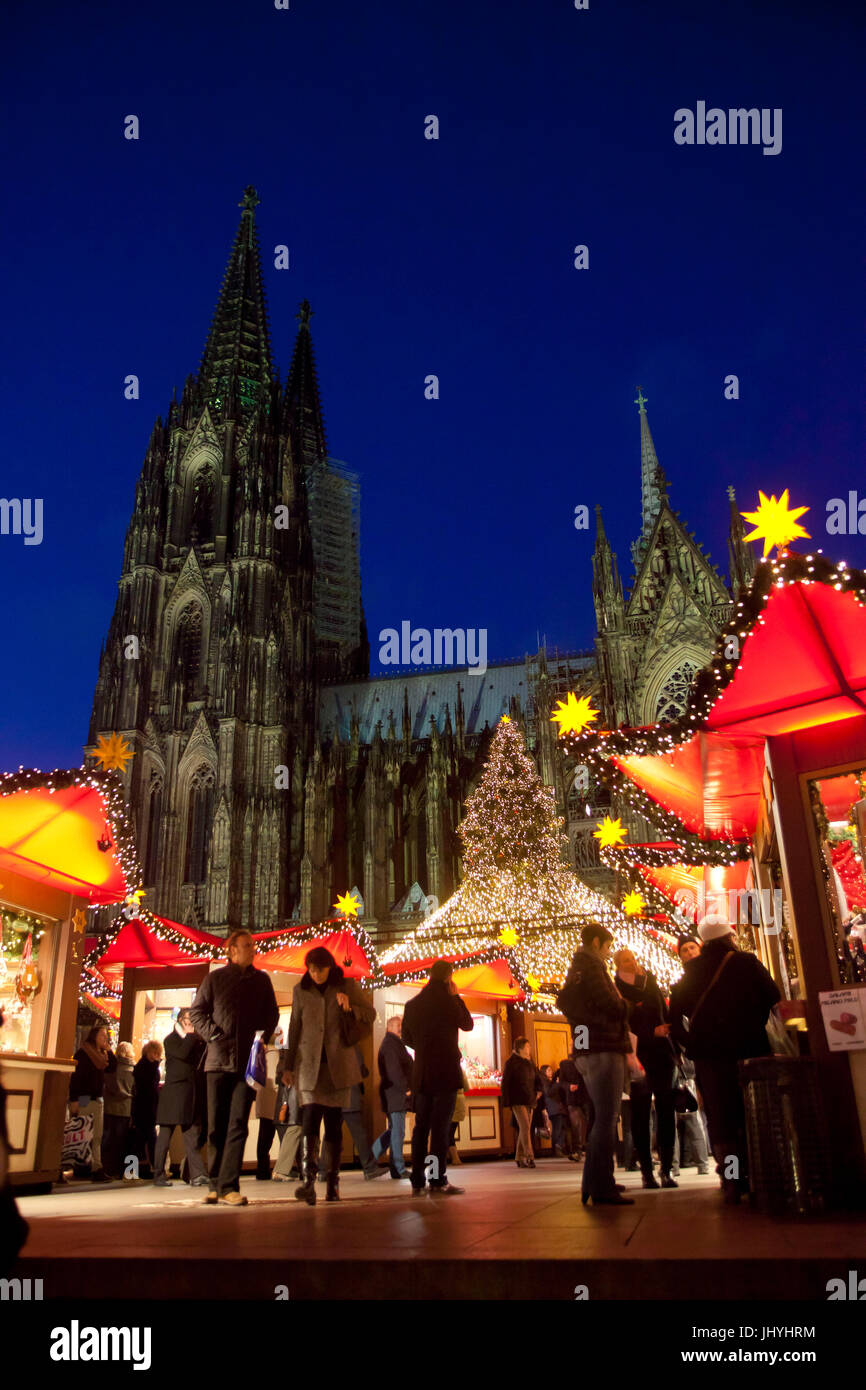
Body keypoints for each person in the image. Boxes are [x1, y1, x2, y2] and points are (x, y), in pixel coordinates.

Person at [668, 916, 780, 1203]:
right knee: (755, 1112)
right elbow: (773, 995)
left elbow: (674, 1017)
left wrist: (691, 1041)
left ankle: (733, 1180)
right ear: (729, 937)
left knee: (723, 1119)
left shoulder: (691, 972)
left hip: (710, 1056)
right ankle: (762, 1174)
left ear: (704, 942)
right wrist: (752, 1020)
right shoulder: (746, 962)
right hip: (750, 1049)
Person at [190, 928, 280, 1207]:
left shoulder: (262, 981)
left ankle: (230, 1185)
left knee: (238, 1123)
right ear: (232, 950)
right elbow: (197, 1012)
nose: (253, 950)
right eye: (247, 945)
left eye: (253, 945)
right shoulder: (215, 978)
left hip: (247, 1065)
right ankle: (215, 1184)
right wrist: (213, 1034)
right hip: (217, 1062)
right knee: (216, 1124)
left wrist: (262, 1039)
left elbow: (272, 1013)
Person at [282, 947, 376, 1205]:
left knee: (334, 1124)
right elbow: (294, 1028)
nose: (315, 974)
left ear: (329, 967)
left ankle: (333, 1184)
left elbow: (370, 1014)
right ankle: (308, 1182)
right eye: (311, 969)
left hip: (338, 1067)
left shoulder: (346, 985)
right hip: (309, 1067)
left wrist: (351, 1007)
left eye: (320, 969)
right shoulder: (300, 990)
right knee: (310, 1120)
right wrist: (288, 1066)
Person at [556, 923, 633, 1207]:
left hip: (588, 1049)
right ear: (598, 942)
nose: (609, 951)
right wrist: (627, 1004)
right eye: (608, 946)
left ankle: (596, 1180)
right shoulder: (592, 966)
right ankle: (600, 1186)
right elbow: (609, 1004)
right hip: (603, 1047)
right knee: (607, 1117)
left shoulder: (576, 969)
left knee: (602, 1117)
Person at [402, 959, 473, 1195]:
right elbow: (468, 1024)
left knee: (421, 1127)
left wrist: (423, 1049)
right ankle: (436, 1178)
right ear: (448, 977)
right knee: (440, 1128)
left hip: (422, 1073)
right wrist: (457, 997)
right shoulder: (448, 1001)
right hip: (445, 1072)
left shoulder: (413, 1005)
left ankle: (417, 1178)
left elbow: (407, 1038)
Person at [613, 947, 678, 1190]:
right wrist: (650, 1032)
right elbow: (622, 1023)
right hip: (637, 1057)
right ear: (618, 965)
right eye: (626, 960)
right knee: (640, 1115)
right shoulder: (616, 989)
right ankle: (647, 1173)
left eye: (633, 958)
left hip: (662, 1055)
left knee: (666, 1110)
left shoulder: (649, 981)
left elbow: (663, 1011)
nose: (632, 963)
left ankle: (667, 1170)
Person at [152, 1010, 207, 1188]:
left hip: (188, 1096)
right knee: (164, 1138)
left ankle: (198, 1174)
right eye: (189, 1019)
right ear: (180, 1020)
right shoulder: (171, 1040)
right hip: (173, 1095)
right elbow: (182, 1054)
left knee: (192, 1137)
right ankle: (159, 1174)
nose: (191, 1023)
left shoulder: (195, 1040)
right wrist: (192, 1037)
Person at [68, 1025, 116, 1182]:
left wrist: (109, 1050)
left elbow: (113, 1068)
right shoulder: (83, 1054)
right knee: (84, 1132)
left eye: (106, 1036)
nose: (105, 1038)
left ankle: (94, 1167)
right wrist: (74, 1099)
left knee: (96, 1134)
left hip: (97, 1098)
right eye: (102, 1035)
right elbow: (76, 1079)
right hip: (84, 1098)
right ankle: (90, 1167)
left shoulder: (102, 1055)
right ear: (94, 1036)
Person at [372, 1015, 413, 1178]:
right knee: (398, 1131)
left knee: (393, 1130)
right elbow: (394, 1070)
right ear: (389, 1027)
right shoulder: (391, 1045)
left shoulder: (393, 1044)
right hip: (396, 1094)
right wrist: (406, 1089)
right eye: (397, 1025)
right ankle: (398, 1168)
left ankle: (372, 1156)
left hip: (393, 1094)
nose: (400, 1028)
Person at [343, 1048, 389, 1181]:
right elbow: (360, 1072)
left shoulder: (334, 1047)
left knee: (331, 1135)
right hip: (350, 1097)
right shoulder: (354, 1049)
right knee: (360, 1135)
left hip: (336, 1098)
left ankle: (323, 1170)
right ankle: (370, 1168)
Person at [501, 1038, 540, 1168]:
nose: (529, 1049)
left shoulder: (530, 1062)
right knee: (525, 1126)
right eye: (527, 1047)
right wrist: (506, 1101)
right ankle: (529, 1156)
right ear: (520, 1048)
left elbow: (537, 1077)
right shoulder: (511, 1062)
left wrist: (539, 1090)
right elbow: (505, 1083)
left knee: (526, 1128)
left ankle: (518, 1156)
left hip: (530, 1098)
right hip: (517, 1099)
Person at [102, 1041, 136, 1179]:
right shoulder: (134, 1070)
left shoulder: (113, 1068)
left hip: (110, 1107)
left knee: (108, 1140)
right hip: (125, 1109)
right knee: (122, 1141)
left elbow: (108, 1086)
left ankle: (107, 1168)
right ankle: (122, 1169)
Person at [254, 1027, 284, 1180]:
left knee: (264, 1139)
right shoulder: (276, 1055)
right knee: (284, 1134)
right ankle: (285, 1168)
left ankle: (262, 1169)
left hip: (264, 1099)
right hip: (275, 1099)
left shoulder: (260, 1054)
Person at [131, 1040, 163, 1178]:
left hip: (147, 1106)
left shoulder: (146, 1066)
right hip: (144, 1107)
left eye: (157, 1053)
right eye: (154, 1052)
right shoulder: (145, 1067)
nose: (156, 1055)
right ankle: (151, 1167)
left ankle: (147, 1167)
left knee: (145, 1138)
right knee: (148, 1138)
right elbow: (148, 1087)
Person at [557, 1052, 588, 1161]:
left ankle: (586, 1148)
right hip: (573, 1097)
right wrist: (568, 1086)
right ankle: (577, 1150)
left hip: (587, 1095)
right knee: (576, 1125)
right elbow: (561, 1082)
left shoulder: (585, 1060)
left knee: (589, 1123)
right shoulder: (565, 1064)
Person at [541, 1065, 570, 1156]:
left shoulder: (551, 1081)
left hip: (558, 1107)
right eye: (548, 1070)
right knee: (558, 1128)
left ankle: (560, 1147)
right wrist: (557, 1084)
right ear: (544, 1072)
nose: (551, 1072)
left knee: (562, 1127)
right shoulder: (545, 1082)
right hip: (554, 1107)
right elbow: (549, 1092)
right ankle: (556, 1149)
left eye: (551, 1070)